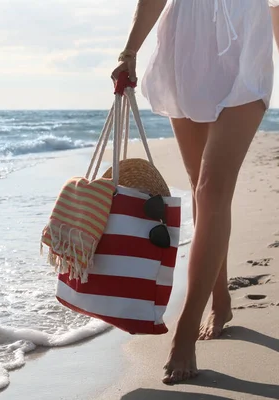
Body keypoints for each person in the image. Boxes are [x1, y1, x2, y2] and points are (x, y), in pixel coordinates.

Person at [111, 0, 279, 385]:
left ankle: (184, 334)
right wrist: (130, 51)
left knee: (212, 189)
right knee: (202, 189)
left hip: (244, 54)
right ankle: (220, 301)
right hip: (185, 50)